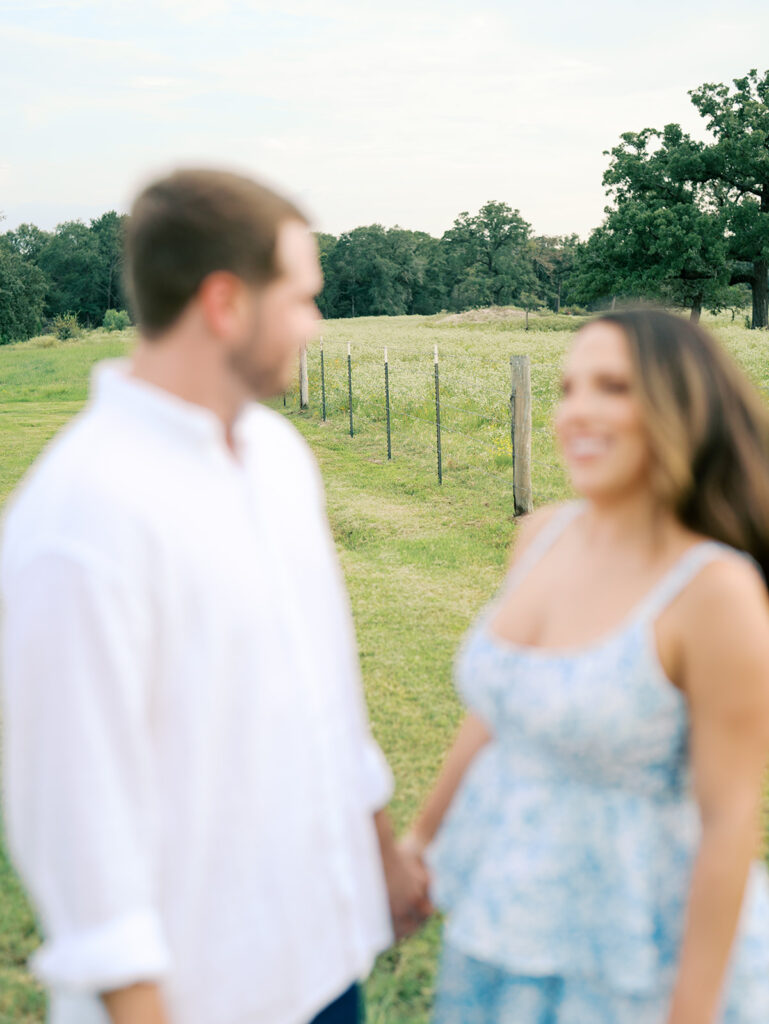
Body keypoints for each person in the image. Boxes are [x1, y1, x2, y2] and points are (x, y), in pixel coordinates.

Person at [0, 168, 429, 1024]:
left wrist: (379, 861)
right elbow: (83, 845)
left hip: (322, 961)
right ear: (226, 304)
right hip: (203, 993)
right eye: (302, 298)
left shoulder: (275, 457)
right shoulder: (81, 521)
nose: (315, 323)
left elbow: (328, 703)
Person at [402, 310, 769, 1023]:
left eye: (612, 387)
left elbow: (727, 821)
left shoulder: (713, 591)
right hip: (506, 912)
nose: (577, 412)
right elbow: (496, 712)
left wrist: (689, 1013)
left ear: (679, 407)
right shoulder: (541, 535)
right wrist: (420, 840)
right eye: (568, 388)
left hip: (630, 951)